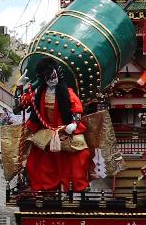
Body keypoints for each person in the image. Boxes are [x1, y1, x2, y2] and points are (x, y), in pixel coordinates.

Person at [19, 67, 93, 195]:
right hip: (45, 132)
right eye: (48, 78)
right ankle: (45, 190)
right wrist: (20, 87)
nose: (52, 80)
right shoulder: (38, 93)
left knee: (80, 156)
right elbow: (21, 104)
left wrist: (74, 124)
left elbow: (77, 109)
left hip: (65, 130)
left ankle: (76, 189)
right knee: (37, 161)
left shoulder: (67, 92)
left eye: (54, 76)